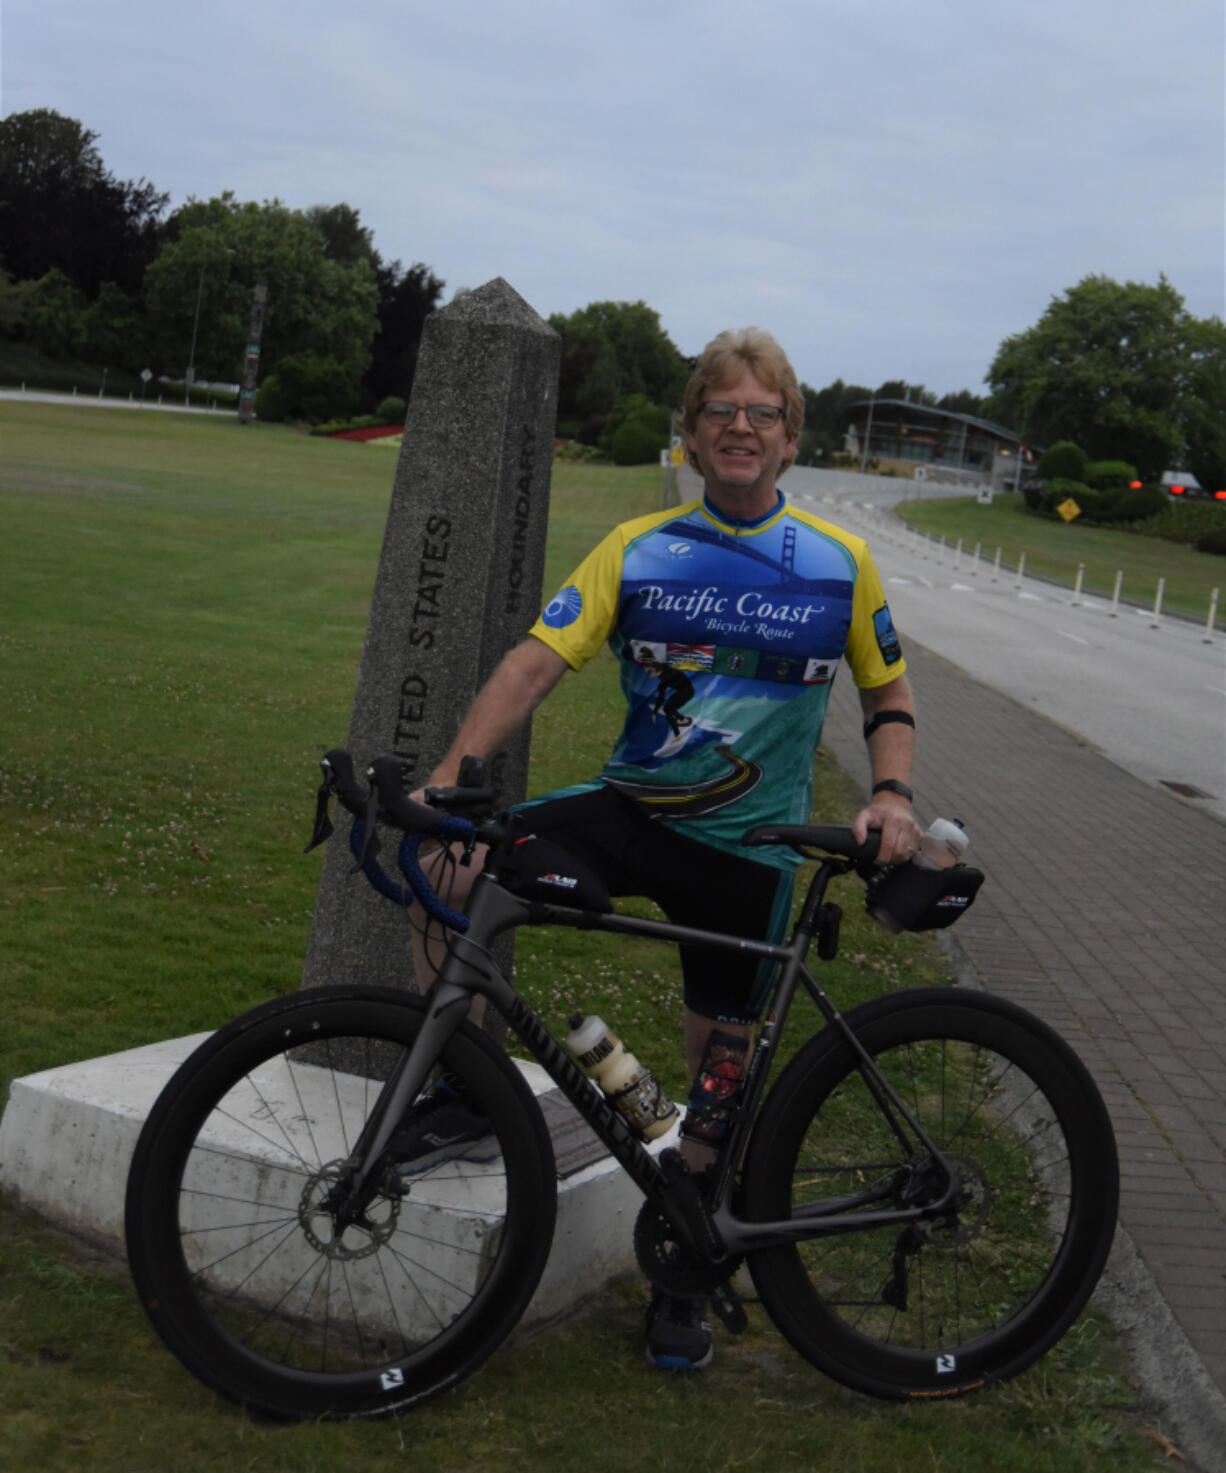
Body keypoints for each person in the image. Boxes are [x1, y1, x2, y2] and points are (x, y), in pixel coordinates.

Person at [395, 326, 923, 1372]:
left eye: (759, 414)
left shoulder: (838, 562)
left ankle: (689, 1260)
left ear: (786, 439)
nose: (739, 427)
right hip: (632, 813)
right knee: (450, 862)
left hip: (751, 848)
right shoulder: (638, 547)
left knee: (711, 1077)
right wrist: (451, 775)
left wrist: (895, 795)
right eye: (719, 410)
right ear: (690, 433)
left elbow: (887, 694)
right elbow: (535, 663)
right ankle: (463, 1086)